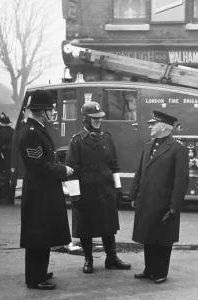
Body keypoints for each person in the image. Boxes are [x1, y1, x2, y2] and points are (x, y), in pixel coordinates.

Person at [65, 101, 131, 274]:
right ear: (85, 118)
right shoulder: (77, 141)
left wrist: (118, 189)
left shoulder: (107, 139)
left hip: (106, 189)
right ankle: (88, 259)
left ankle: (112, 258)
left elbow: (114, 165)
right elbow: (71, 171)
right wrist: (75, 196)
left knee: (108, 226)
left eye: (99, 118)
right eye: (94, 118)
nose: (98, 121)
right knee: (86, 227)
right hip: (85, 191)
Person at [19, 90, 73, 290]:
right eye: (50, 109)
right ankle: (35, 278)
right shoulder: (31, 133)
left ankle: (40, 272)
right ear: (42, 111)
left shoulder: (37, 128)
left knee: (44, 234)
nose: (52, 113)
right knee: (37, 235)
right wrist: (62, 170)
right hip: (38, 193)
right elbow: (38, 165)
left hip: (43, 191)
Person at [129, 110, 189, 284]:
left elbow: (181, 180)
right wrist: (133, 194)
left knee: (163, 239)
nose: (150, 126)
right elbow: (139, 171)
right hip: (146, 198)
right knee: (148, 235)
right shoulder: (148, 145)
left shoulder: (178, 148)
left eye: (153, 124)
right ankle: (149, 270)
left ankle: (161, 272)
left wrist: (174, 206)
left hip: (164, 202)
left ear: (164, 127)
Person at [0, 112, 14, 203]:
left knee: (2, 176)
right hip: (10, 158)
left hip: (2, 157)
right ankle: (8, 195)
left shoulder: (0, 133)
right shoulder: (12, 131)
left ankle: (4, 195)